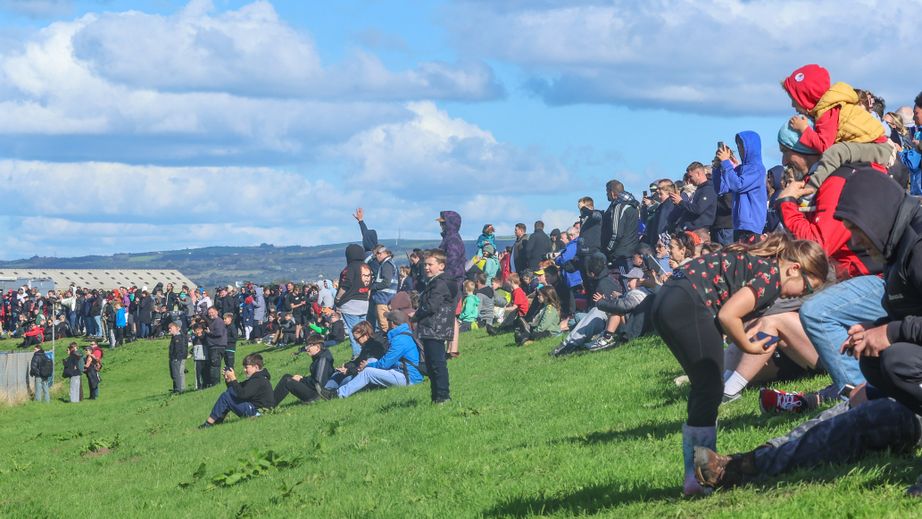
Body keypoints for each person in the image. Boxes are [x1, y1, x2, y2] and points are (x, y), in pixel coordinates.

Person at [650, 233, 830, 496]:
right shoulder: (771, 277)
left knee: (704, 388)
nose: (804, 293)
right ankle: (699, 478)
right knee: (709, 388)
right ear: (794, 269)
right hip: (687, 302)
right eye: (808, 287)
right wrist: (748, 346)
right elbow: (728, 315)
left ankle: (695, 475)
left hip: (668, 299)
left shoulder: (762, 267)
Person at [322, 311, 423, 399]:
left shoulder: (400, 340)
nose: (385, 322)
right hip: (401, 371)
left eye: (388, 320)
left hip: (408, 378)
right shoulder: (402, 335)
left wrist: (367, 366)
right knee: (372, 362)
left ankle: (338, 394)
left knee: (368, 372)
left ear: (393, 323)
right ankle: (329, 390)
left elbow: (385, 364)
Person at [412, 249, 454, 404]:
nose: (426, 267)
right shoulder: (435, 282)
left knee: (437, 364)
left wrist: (416, 315)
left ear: (441, 266)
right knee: (431, 364)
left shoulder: (440, 283)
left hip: (436, 328)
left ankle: (443, 396)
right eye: (425, 265)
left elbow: (431, 306)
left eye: (430, 264)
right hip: (432, 328)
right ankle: (436, 397)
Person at [716, 132, 768, 242]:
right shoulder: (740, 169)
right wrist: (717, 167)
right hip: (738, 225)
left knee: (749, 258)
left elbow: (738, 185)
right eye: (738, 145)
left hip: (751, 226)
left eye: (742, 145)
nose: (740, 148)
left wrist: (726, 163)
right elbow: (721, 188)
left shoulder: (757, 169)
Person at [200, 353, 273, 428]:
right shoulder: (257, 378)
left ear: (256, 367)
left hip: (258, 412)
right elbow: (236, 390)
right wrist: (229, 381)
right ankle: (217, 421)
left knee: (226, 397)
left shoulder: (258, 380)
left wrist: (234, 379)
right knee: (229, 394)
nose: (244, 370)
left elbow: (242, 395)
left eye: (246, 367)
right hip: (256, 409)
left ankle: (208, 424)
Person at [335, 243, 373, 359]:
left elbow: (345, 285)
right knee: (364, 330)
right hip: (364, 302)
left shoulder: (349, 268)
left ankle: (357, 355)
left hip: (350, 303)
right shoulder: (367, 267)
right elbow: (370, 287)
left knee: (354, 332)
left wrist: (337, 299)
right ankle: (368, 352)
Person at [274, 335, 334, 405]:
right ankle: (269, 403)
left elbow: (318, 383)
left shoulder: (322, 360)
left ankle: (269, 406)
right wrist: (302, 378)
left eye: (309, 346)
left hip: (317, 395)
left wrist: (302, 379)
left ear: (317, 347)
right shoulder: (319, 357)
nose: (307, 349)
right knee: (286, 376)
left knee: (288, 381)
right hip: (315, 390)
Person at [672, 162, 717, 242]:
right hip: (692, 228)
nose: (689, 180)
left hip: (700, 229)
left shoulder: (708, 189)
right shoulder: (699, 189)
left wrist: (681, 202)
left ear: (698, 174)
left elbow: (698, 209)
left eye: (690, 176)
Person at [601, 180, 641, 269]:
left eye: (607, 192)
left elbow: (616, 233)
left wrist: (608, 250)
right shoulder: (635, 205)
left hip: (621, 254)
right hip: (633, 251)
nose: (606, 194)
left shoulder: (619, 206)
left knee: (623, 281)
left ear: (612, 193)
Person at [370, 245, 399, 333]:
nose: (376, 256)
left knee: (384, 325)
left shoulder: (387, 264)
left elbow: (386, 282)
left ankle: (387, 343)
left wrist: (373, 287)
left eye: (378, 253)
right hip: (387, 299)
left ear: (385, 253)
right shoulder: (389, 264)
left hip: (383, 299)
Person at [167, 321, 187, 393]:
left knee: (176, 374)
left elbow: (179, 349)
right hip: (173, 358)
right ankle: (176, 388)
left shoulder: (178, 337)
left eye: (171, 328)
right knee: (173, 374)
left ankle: (178, 389)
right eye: (169, 328)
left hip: (176, 359)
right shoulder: (174, 337)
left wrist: (176, 358)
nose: (169, 330)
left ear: (177, 328)